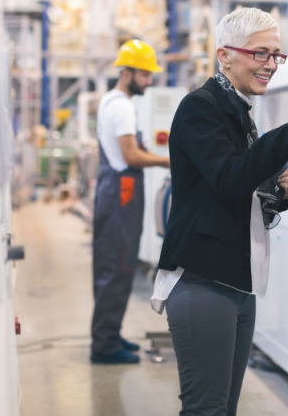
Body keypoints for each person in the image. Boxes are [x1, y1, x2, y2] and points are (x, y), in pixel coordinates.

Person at [151, 7, 288, 415]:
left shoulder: (239, 111)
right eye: (260, 54)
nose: (270, 65)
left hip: (236, 284)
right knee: (206, 409)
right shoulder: (201, 108)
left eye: (276, 55)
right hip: (202, 282)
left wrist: (277, 194)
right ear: (224, 55)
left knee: (223, 408)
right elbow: (229, 178)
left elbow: (237, 196)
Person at [90, 39, 170, 365]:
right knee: (119, 266)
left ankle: (110, 333)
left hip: (115, 190)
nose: (150, 81)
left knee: (114, 265)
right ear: (127, 72)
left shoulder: (111, 100)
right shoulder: (121, 106)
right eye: (145, 74)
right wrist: (168, 162)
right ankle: (105, 345)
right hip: (121, 191)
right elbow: (131, 155)